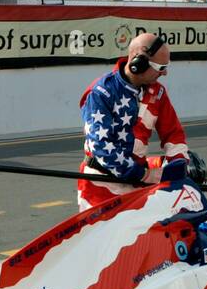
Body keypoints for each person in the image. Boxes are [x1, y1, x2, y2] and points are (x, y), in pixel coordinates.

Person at [77, 31, 190, 211]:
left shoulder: (158, 93)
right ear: (139, 63)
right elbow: (101, 145)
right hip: (99, 187)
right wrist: (145, 175)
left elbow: (173, 133)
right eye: (160, 67)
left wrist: (180, 163)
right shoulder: (101, 92)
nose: (165, 73)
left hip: (137, 186)